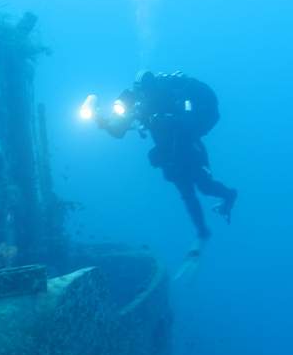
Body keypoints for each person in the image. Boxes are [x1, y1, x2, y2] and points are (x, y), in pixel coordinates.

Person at [97, 71, 238, 241]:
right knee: (186, 193)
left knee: (205, 187)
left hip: (190, 150)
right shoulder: (141, 105)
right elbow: (119, 130)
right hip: (169, 158)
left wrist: (161, 122)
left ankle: (229, 195)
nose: (143, 97)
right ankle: (202, 231)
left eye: (145, 92)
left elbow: (185, 123)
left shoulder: (169, 96)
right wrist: (103, 122)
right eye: (141, 93)